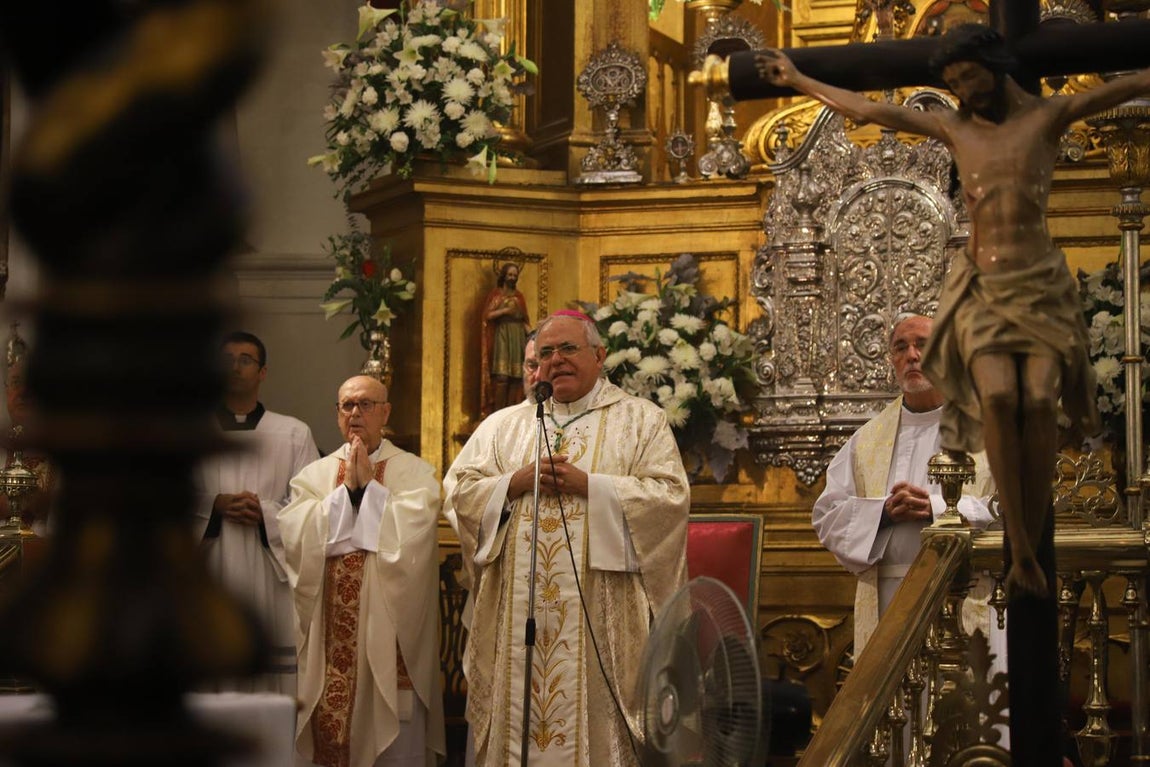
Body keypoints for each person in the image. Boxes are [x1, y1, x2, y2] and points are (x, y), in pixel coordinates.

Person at [757, 24, 1150, 596]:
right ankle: (1022, 555)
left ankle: (1023, 545)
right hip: (983, 280)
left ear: (996, 69)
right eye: (956, 84)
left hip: (1034, 277)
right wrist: (796, 78)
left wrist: (945, 509)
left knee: (1036, 401)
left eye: (972, 80)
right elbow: (870, 109)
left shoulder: (1044, 117)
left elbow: (1119, 89)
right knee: (996, 398)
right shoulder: (954, 127)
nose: (968, 93)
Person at [447, 310, 690, 767]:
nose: (555, 361)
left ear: (599, 356)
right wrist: (512, 483)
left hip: (602, 615)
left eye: (567, 349)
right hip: (516, 619)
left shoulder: (641, 421)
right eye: (545, 354)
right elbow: (460, 491)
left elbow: (671, 497)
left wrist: (593, 486)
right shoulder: (506, 426)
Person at [278, 375, 445, 767]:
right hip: (329, 640)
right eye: (347, 405)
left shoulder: (414, 472)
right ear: (337, 414)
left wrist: (369, 491)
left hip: (387, 636)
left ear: (385, 412)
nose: (356, 413)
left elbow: (413, 538)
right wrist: (348, 496)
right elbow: (295, 533)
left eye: (366, 404)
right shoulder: (314, 476)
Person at [812, 314, 996, 653]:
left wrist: (939, 509)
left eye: (923, 345)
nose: (912, 355)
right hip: (888, 599)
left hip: (965, 590)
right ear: (892, 361)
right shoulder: (866, 441)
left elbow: (1015, 511)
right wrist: (882, 512)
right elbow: (827, 517)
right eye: (901, 347)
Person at [193, 331, 319, 695]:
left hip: (270, 577)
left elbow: (312, 506)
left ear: (262, 372)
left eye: (245, 360)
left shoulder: (294, 432)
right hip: (207, 571)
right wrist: (213, 506)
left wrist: (265, 513)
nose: (235, 367)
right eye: (227, 360)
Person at [480, 261, 530, 416]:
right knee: (502, 377)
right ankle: (498, 413)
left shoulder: (519, 296)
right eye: (510, 274)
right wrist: (505, 311)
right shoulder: (497, 295)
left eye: (515, 275)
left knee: (516, 377)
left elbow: (524, 320)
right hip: (502, 335)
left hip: (517, 336)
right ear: (503, 276)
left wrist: (533, 334)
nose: (512, 278)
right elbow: (487, 315)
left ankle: (512, 411)